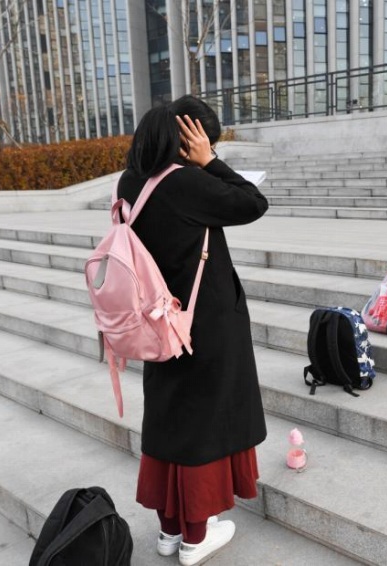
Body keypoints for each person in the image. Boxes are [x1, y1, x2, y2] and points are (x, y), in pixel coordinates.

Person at [117, 98, 268, 566]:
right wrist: (211, 162)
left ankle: (169, 532)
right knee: (205, 423)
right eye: (204, 140)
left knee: (168, 420)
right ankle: (195, 539)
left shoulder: (131, 181)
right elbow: (253, 203)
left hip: (156, 321)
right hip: (204, 323)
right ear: (188, 139)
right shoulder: (187, 182)